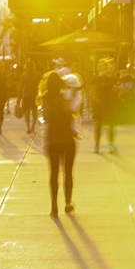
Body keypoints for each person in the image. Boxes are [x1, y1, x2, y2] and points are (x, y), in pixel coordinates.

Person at [40, 70, 78, 217]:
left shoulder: (45, 98)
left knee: (53, 174)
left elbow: (46, 116)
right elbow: (71, 113)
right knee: (68, 172)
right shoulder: (65, 98)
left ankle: (54, 206)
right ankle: (68, 203)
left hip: (53, 139)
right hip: (68, 139)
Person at [89, 67, 117, 155]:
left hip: (99, 105)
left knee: (99, 126)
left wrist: (94, 101)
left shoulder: (95, 79)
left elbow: (91, 92)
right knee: (109, 126)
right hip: (108, 105)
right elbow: (114, 91)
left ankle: (97, 146)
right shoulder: (111, 79)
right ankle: (110, 145)